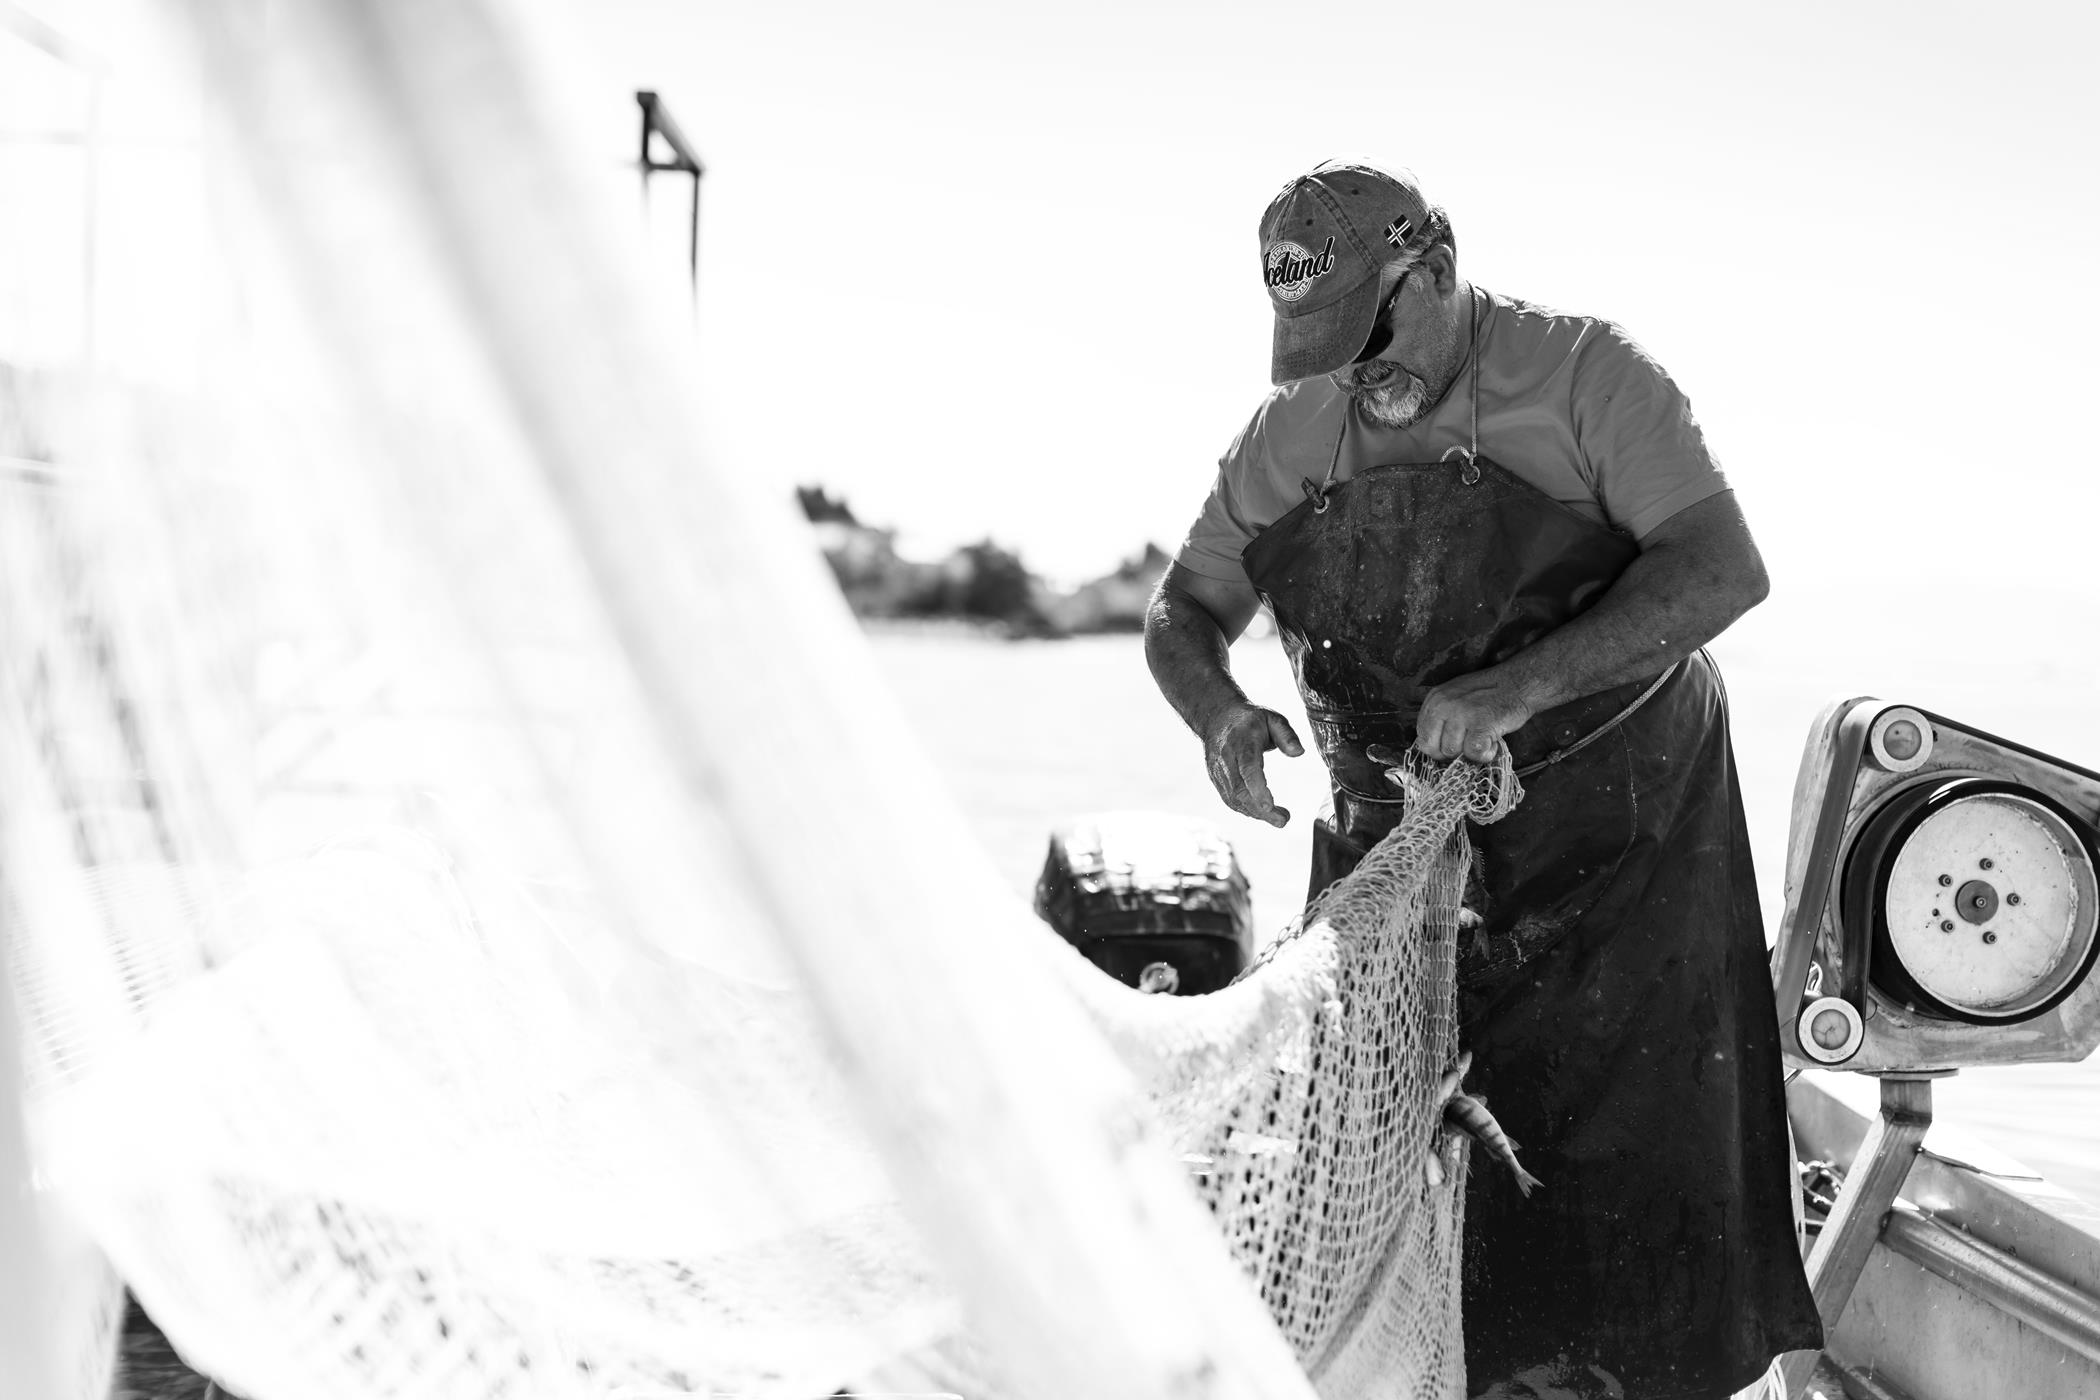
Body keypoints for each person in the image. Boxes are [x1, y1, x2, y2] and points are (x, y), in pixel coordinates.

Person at [1144, 158, 1824, 1400]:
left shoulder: (1589, 377)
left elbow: (1722, 570)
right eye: (1322, 347)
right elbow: (1182, 608)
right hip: (1393, 873)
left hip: (1624, 858)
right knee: (1385, 1179)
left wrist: (1519, 685)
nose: (1357, 374)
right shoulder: (1288, 431)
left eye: (1372, 331)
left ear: (1440, 271)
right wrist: (1220, 711)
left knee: (1623, 1191)